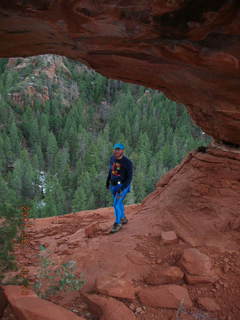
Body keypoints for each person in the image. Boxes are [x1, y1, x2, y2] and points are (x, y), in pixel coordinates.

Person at [106, 143, 133, 233]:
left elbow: (129, 178)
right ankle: (123, 218)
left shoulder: (127, 163)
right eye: (115, 149)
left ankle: (117, 224)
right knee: (119, 202)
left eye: (118, 149)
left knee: (116, 204)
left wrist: (122, 188)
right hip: (113, 185)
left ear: (122, 150)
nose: (116, 151)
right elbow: (111, 171)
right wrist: (107, 181)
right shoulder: (112, 159)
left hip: (122, 186)